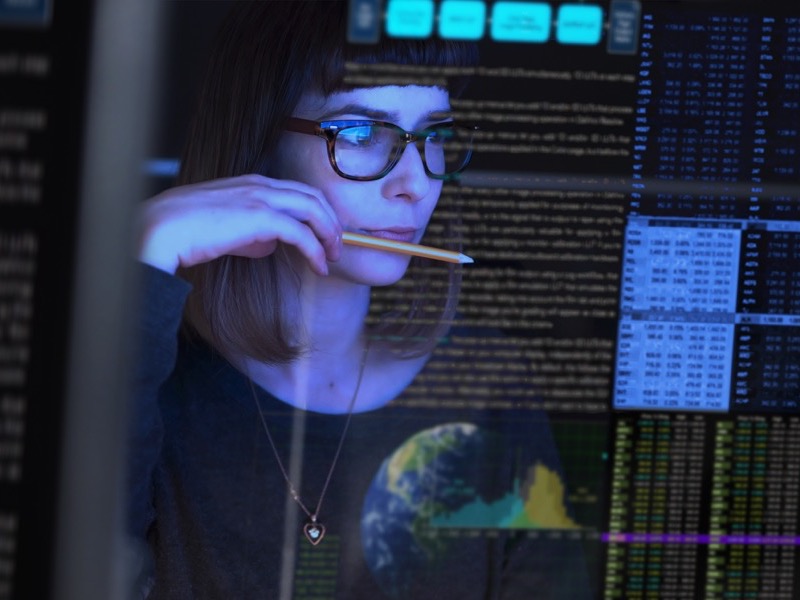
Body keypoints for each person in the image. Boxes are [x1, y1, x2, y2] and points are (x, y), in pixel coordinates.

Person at [129, 2, 591, 598]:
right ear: (258, 140)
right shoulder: (153, 381)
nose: (417, 184)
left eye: (434, 136)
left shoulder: (487, 384)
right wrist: (146, 255)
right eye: (361, 133)